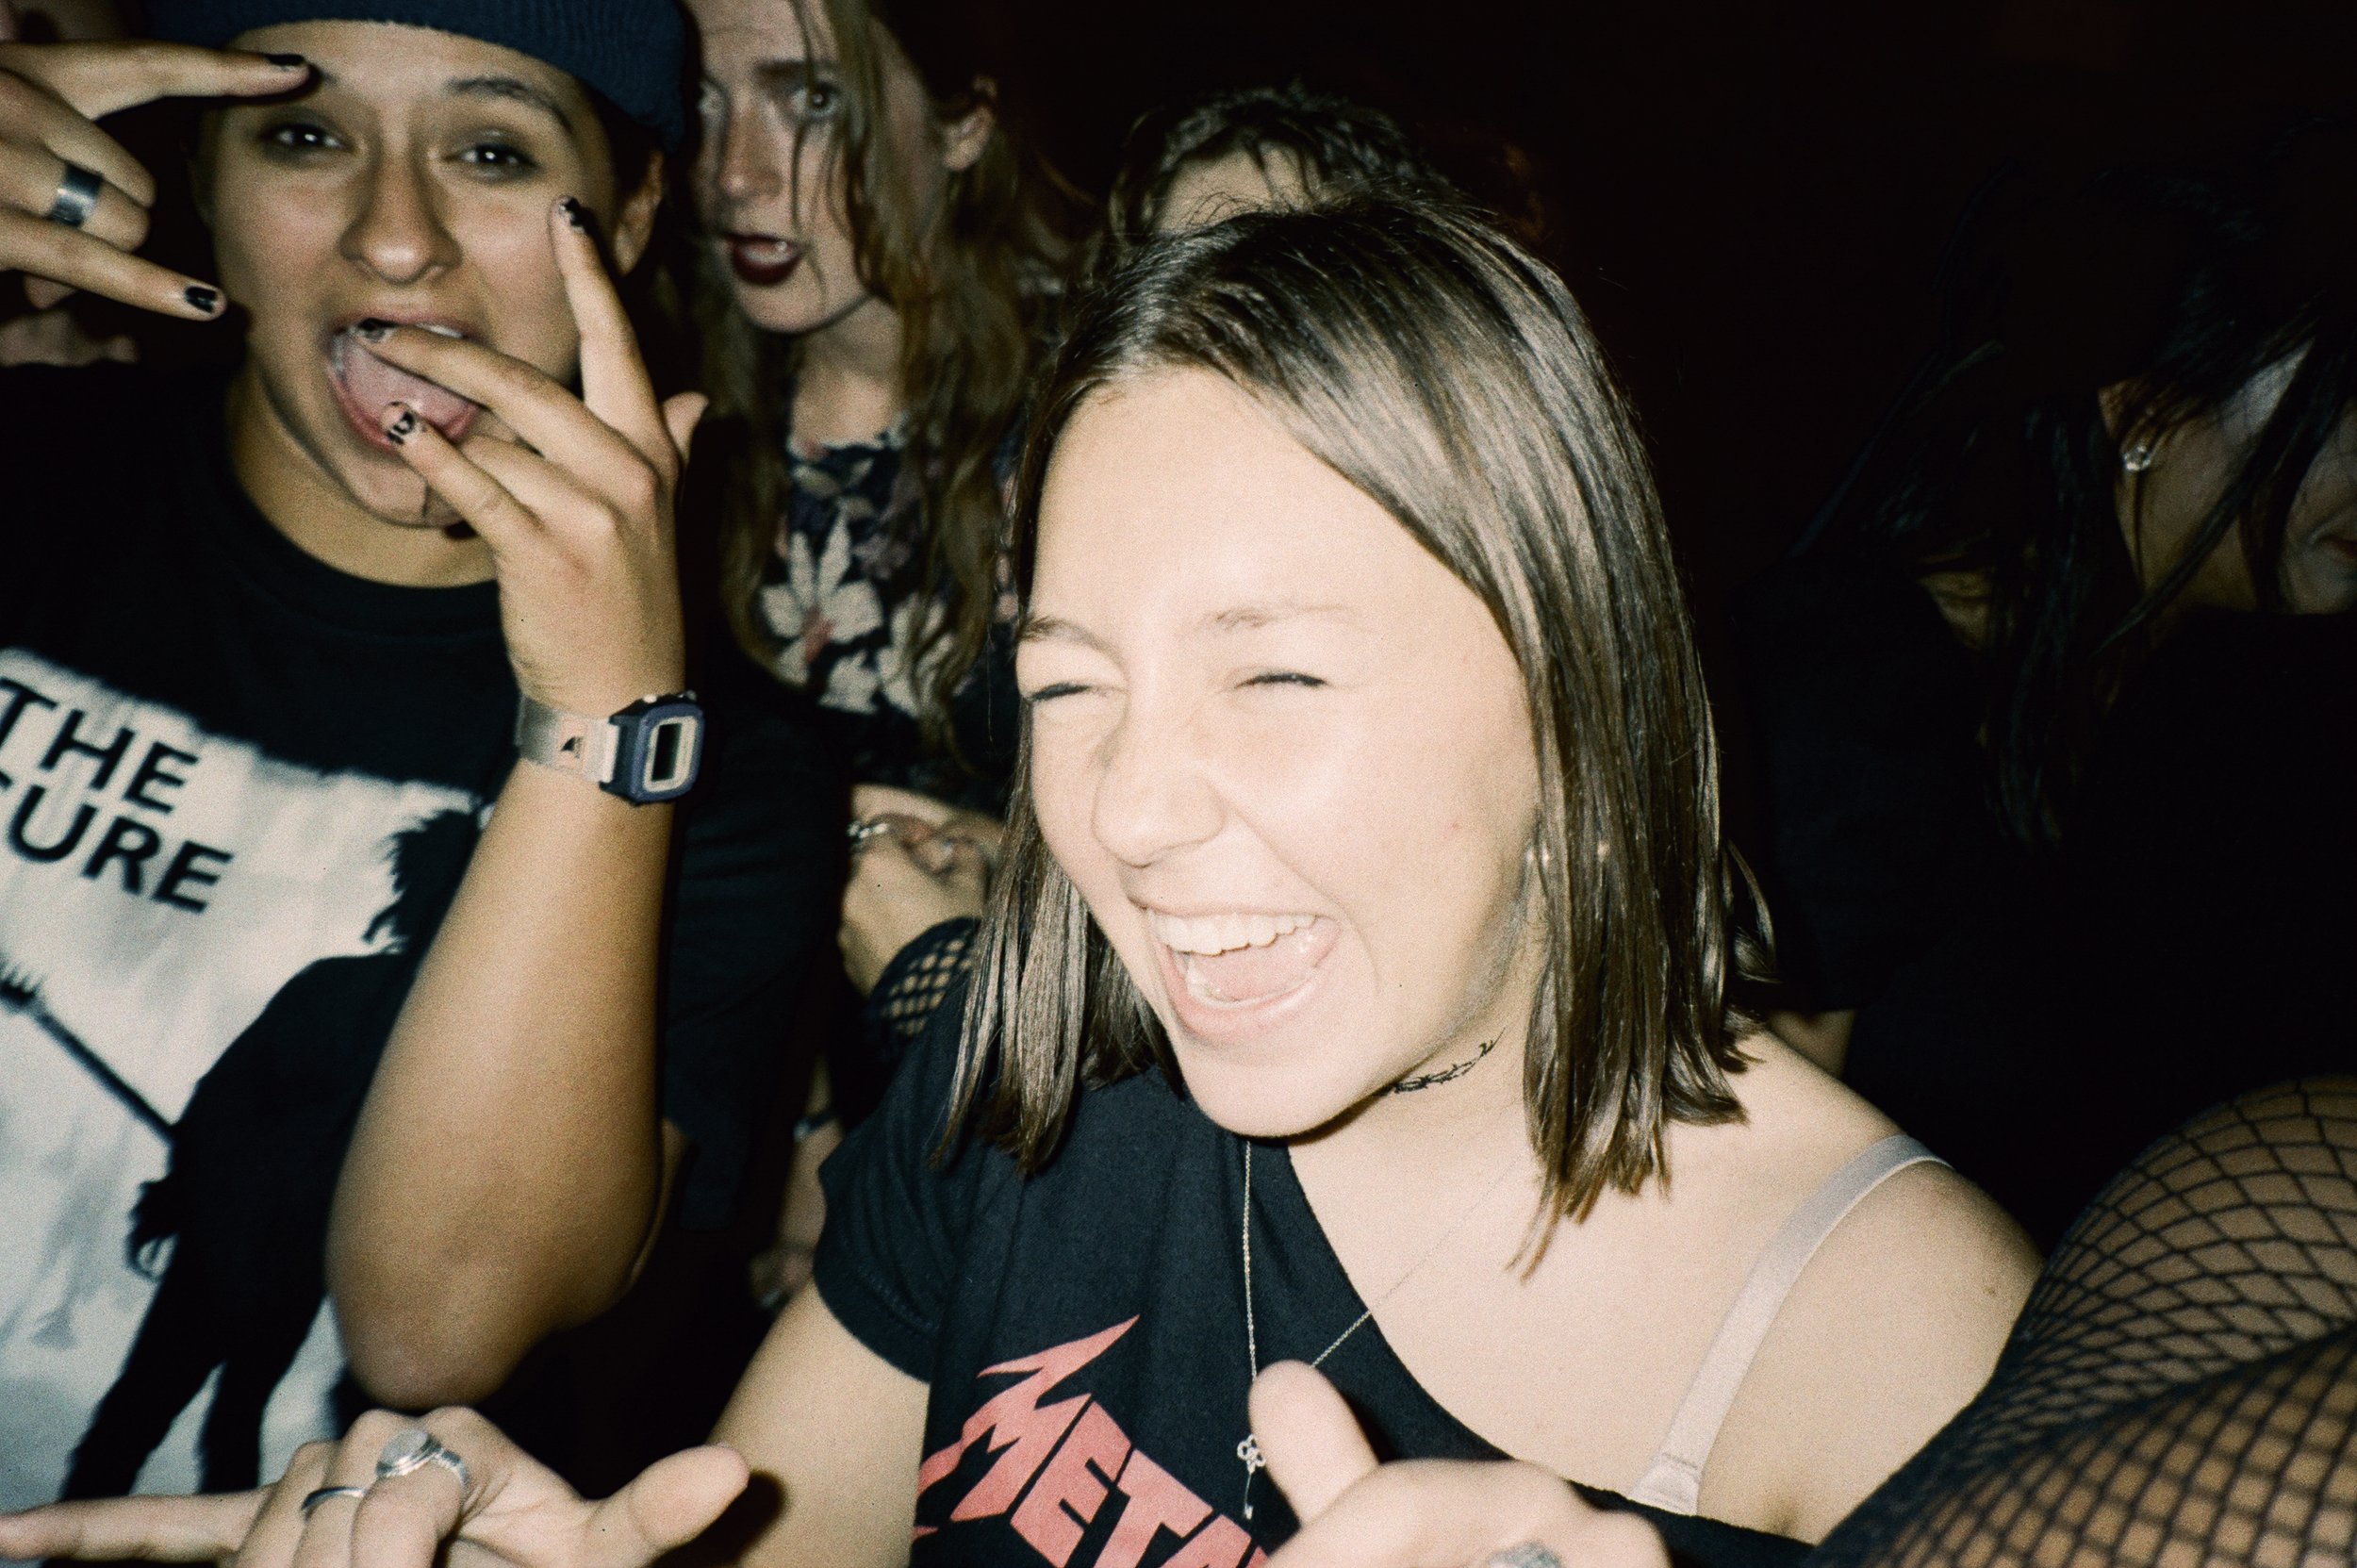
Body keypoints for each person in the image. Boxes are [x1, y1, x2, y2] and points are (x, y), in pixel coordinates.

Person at [3, 198, 2044, 1568]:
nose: (1126, 812)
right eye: (1072, 686)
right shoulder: (1045, 1078)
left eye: (1273, 673)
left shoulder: (1897, 1339)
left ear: (1578, 685)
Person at [0, 0, 838, 1521]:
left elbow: (434, 1329)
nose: (395, 239)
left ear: (632, 209)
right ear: (202, 181)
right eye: (306, 136)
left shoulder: (723, 774)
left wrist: (603, 710)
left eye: (492, 151)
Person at [1730, 124, 2357, 1240]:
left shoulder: (2203, 716)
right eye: (2344, 409)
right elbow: (1745, 1173)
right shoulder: (1857, 679)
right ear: (2145, 417)